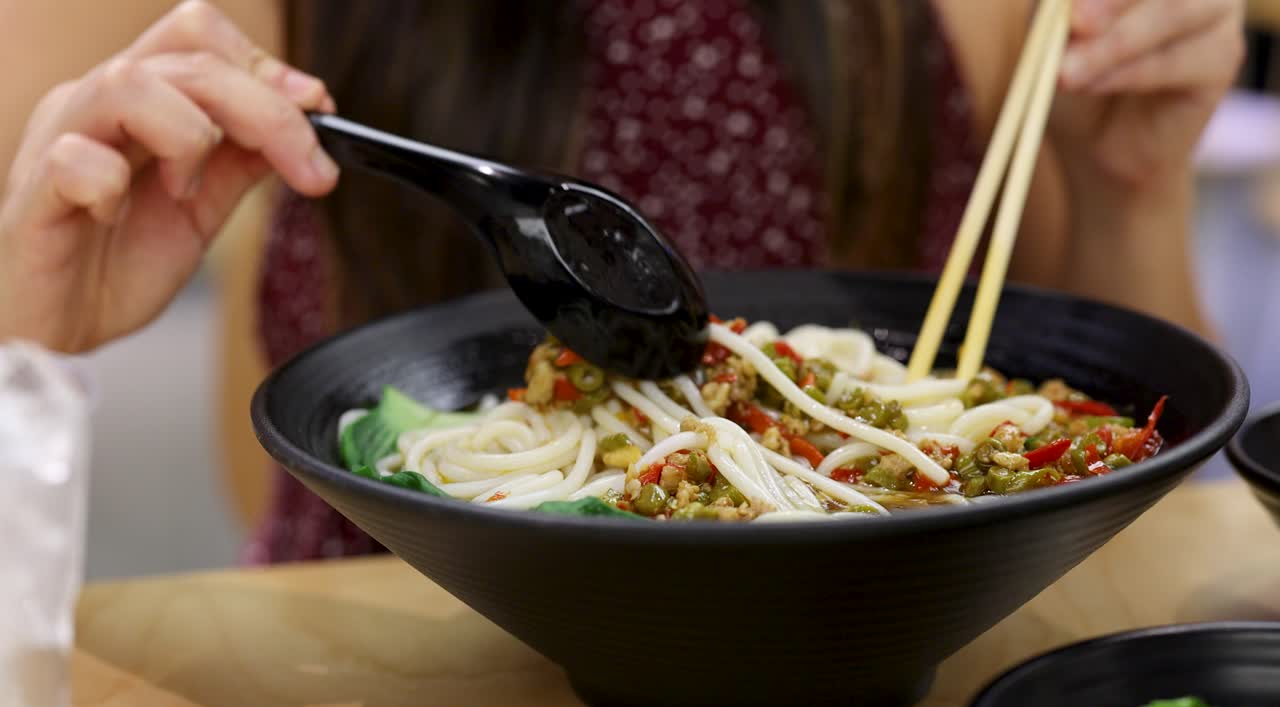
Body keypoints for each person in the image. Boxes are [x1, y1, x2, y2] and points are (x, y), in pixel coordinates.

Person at [0, 0, 1244, 562]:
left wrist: (1131, 189)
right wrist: (26, 325)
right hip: (387, 640)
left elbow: (1115, 458)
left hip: (886, 631)